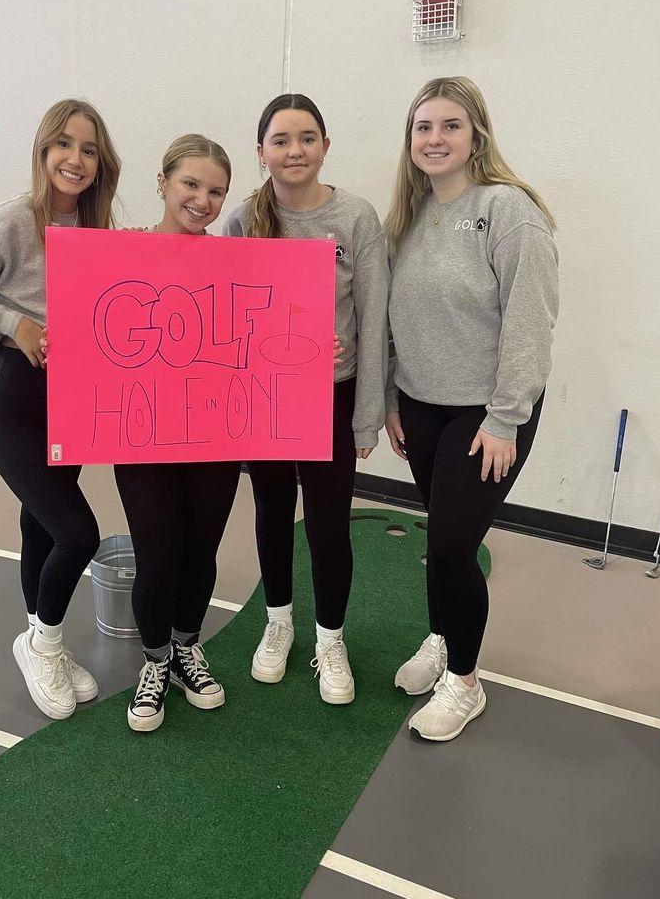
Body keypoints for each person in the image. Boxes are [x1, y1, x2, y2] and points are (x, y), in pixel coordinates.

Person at [0, 99, 121, 720]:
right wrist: (13, 323)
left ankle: (47, 637)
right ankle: (40, 644)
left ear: (101, 163)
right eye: (64, 144)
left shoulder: (97, 231)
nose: (75, 159)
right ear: (43, 151)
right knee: (78, 533)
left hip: (73, 404)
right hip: (15, 402)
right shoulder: (11, 221)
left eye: (88, 149)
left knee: (40, 525)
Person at [384, 76, 559, 741]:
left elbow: (530, 321)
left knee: (453, 548)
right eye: (423, 127)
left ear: (476, 135)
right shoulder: (407, 219)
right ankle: (442, 637)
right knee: (440, 539)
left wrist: (506, 417)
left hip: (485, 414)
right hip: (421, 406)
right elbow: (397, 319)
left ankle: (464, 681)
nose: (435, 139)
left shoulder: (508, 210)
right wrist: (394, 397)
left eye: (450, 125)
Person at [223, 94, 390, 705]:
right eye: (281, 140)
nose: (295, 151)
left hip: (332, 397)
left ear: (325, 146)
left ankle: (330, 637)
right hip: (265, 396)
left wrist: (367, 416)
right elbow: (224, 316)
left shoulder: (356, 218)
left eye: (307, 138)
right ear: (260, 151)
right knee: (271, 510)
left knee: (327, 523)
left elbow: (374, 319)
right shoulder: (243, 221)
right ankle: (278, 622)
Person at [116, 134, 241, 733]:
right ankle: (156, 660)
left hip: (215, 434)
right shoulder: (119, 253)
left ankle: (187, 647)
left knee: (200, 549)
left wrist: (316, 347)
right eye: (191, 184)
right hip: (140, 432)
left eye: (216, 191)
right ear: (163, 182)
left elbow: (262, 338)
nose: (202, 200)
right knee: (158, 552)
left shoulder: (235, 264)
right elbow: (94, 332)